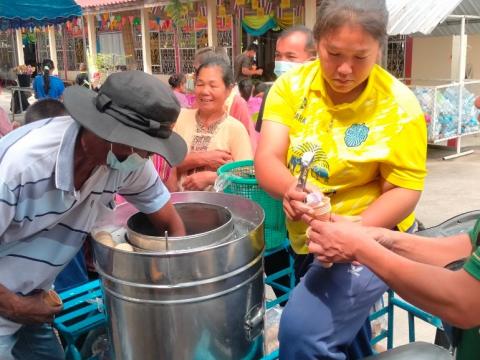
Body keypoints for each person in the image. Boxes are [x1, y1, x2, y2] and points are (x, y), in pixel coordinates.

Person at [254, 0, 428, 358]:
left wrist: (352, 236)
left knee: (303, 332)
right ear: (317, 42)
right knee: (342, 334)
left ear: (380, 48)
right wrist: (289, 187)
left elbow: (405, 189)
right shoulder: (291, 88)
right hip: (308, 234)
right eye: (333, 54)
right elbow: (268, 157)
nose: (345, 69)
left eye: (360, 57)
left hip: (374, 234)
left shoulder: (399, 105)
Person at [0, 70, 187, 359]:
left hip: (32, 296)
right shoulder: (19, 169)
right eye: (143, 148)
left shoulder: (128, 161)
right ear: (105, 131)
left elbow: (169, 221)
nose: (147, 158)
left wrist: (180, 284)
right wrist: (14, 306)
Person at [173, 58, 253, 191]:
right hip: (178, 205)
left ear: (229, 90)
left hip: (220, 208)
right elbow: (164, 165)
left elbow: (246, 177)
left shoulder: (235, 129)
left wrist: (213, 177)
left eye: (213, 85)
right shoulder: (180, 118)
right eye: (200, 84)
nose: (205, 91)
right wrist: (202, 158)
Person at [194, 47, 258, 151]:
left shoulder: (236, 103)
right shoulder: (197, 103)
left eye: (197, 70)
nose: (194, 76)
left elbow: (250, 148)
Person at [255, 25, 317, 132]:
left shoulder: (321, 96)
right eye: (278, 55)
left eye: (291, 57)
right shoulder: (272, 93)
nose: (282, 62)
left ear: (311, 61)